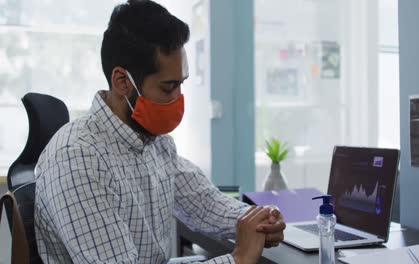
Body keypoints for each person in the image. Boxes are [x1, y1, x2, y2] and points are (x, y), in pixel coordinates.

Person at [34, 1, 285, 263]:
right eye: (168, 87)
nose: (178, 98)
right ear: (122, 81)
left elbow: (203, 202)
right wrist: (238, 258)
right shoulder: (77, 159)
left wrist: (259, 220)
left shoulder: (154, 142)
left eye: (182, 84)